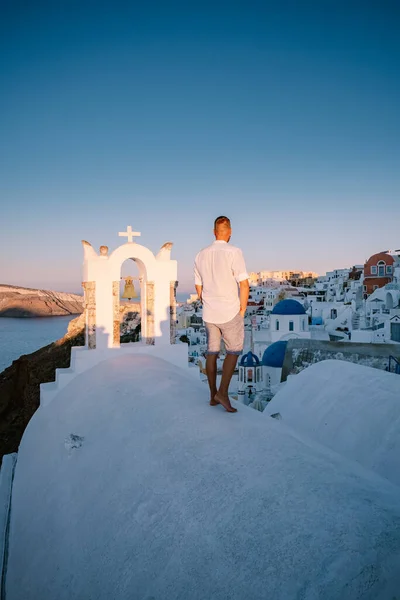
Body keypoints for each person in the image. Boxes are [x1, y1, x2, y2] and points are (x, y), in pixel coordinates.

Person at [194, 216, 250, 413]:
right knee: (233, 351)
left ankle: (212, 396)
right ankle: (223, 393)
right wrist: (242, 309)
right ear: (230, 232)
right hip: (229, 311)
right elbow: (243, 283)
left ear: (214, 232)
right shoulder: (234, 252)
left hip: (210, 313)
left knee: (212, 352)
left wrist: (206, 301)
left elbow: (198, 286)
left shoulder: (201, 254)